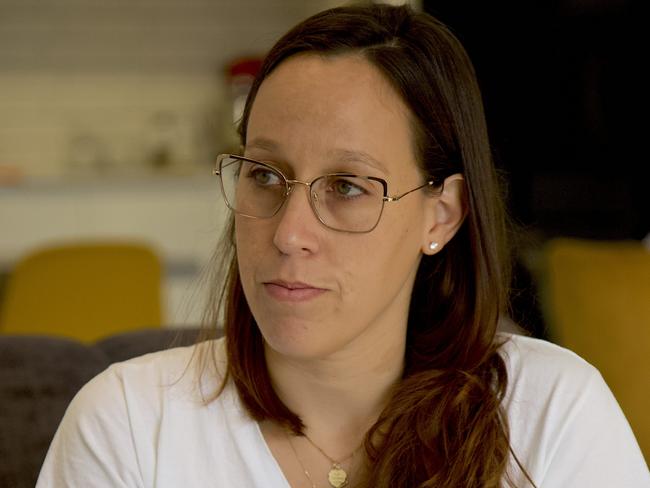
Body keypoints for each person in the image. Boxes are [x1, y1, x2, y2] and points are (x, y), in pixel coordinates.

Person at [36, 4, 649, 487]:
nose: (288, 233)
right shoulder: (129, 424)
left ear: (441, 214)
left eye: (348, 187)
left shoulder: (553, 416)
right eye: (265, 176)